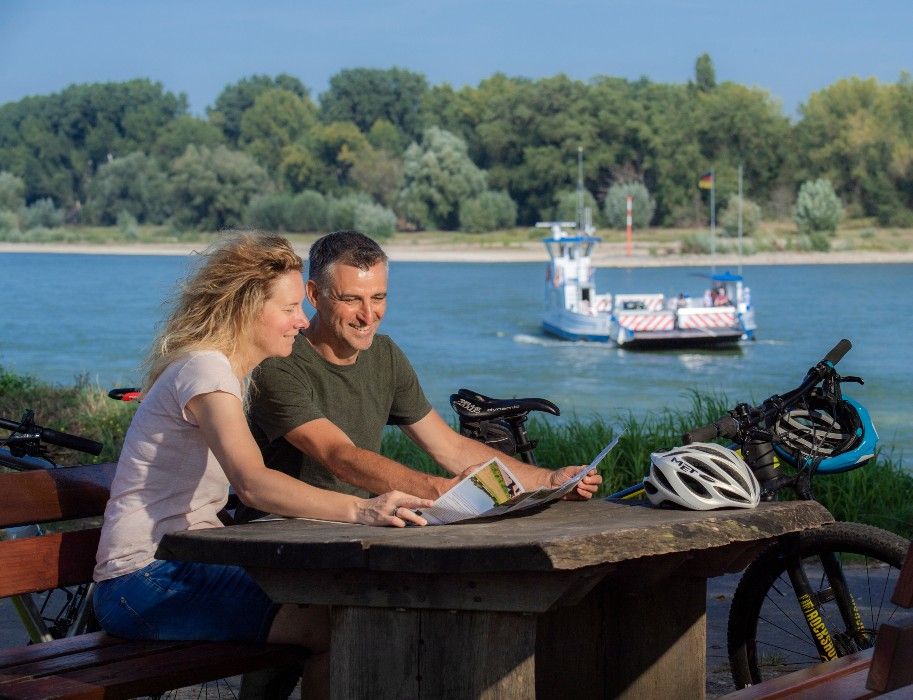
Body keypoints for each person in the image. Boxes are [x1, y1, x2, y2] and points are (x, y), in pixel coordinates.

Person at [92, 233, 432, 697]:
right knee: (329, 625)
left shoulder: (226, 370)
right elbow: (252, 483)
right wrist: (362, 511)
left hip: (182, 564)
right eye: (290, 308)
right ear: (248, 309)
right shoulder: (207, 371)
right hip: (143, 581)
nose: (302, 320)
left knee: (327, 601)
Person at [248, 230, 603, 505]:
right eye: (352, 299)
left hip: (363, 523)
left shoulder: (384, 354)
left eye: (378, 297)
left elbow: (448, 446)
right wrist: (442, 490)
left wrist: (548, 482)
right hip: (285, 527)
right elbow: (339, 457)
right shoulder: (279, 364)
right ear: (313, 295)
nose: (368, 315)